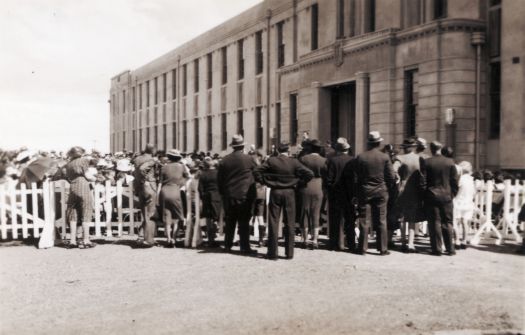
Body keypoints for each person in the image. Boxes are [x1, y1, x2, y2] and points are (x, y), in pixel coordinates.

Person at [254, 142, 313, 260]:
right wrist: (298, 182)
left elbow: (256, 171)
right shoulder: (294, 161)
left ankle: (272, 252)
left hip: (275, 191)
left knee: (273, 221)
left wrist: (266, 181)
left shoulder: (272, 161)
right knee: (290, 222)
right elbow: (309, 173)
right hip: (290, 192)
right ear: (288, 150)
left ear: (277, 150)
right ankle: (289, 253)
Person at [354, 131, 396, 255]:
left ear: (368, 143)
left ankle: (362, 248)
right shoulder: (384, 157)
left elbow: (356, 177)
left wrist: (358, 191)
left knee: (364, 219)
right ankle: (383, 248)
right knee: (381, 219)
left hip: (365, 191)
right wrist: (387, 187)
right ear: (378, 143)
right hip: (381, 191)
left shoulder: (361, 157)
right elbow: (391, 176)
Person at [217, 135, 257, 254]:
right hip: (245, 195)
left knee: (230, 221)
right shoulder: (249, 159)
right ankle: (245, 246)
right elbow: (257, 172)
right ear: (243, 146)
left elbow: (219, 180)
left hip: (229, 195)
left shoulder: (225, 160)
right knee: (244, 222)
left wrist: (223, 193)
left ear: (233, 147)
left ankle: (228, 245)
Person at [421, 141, 459, 256]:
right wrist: (452, 194)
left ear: (431, 149)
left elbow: (423, 181)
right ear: (441, 148)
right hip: (447, 196)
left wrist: (424, 194)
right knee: (447, 222)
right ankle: (450, 249)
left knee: (434, 222)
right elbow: (454, 181)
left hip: (431, 195)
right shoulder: (450, 162)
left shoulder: (427, 162)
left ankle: (437, 249)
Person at [394, 138, 425, 253]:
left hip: (402, 189)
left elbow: (393, 169)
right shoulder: (419, 159)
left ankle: (402, 242)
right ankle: (411, 243)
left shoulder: (400, 158)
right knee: (412, 218)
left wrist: (398, 178)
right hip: (415, 190)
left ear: (405, 147)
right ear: (414, 147)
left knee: (402, 217)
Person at [64, 146, 97, 249]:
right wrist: (95, 178)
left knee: (72, 214)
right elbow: (88, 176)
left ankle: (73, 241)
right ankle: (86, 240)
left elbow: (68, 177)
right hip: (83, 186)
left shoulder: (69, 164)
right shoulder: (83, 161)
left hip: (73, 187)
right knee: (86, 211)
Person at [324, 137, 353, 251]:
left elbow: (329, 179)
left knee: (335, 219)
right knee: (349, 219)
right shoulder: (352, 160)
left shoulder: (332, 161)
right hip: (348, 194)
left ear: (337, 149)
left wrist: (329, 190)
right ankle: (350, 243)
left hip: (335, 193)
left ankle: (335, 243)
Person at [298, 139, 326, 249]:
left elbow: (299, 173)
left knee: (304, 212)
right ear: (319, 149)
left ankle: (305, 240)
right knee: (316, 213)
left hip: (305, 186)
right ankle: (315, 240)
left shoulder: (303, 159)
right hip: (318, 186)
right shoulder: (324, 160)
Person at [159, 149, 188, 248]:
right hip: (176, 191)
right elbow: (188, 177)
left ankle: (168, 239)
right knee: (176, 218)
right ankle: (174, 239)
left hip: (165, 191)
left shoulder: (164, 168)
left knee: (167, 217)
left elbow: (160, 182)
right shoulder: (182, 167)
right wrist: (181, 183)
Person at [133, 144, 159, 247]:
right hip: (149, 187)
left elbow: (136, 171)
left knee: (144, 213)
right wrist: (146, 180)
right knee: (151, 214)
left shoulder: (137, 158)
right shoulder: (152, 160)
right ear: (153, 150)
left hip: (139, 188)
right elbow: (142, 169)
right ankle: (149, 240)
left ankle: (141, 236)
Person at [198, 157, 221, 248]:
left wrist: (203, 196)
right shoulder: (218, 174)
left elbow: (200, 188)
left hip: (207, 197)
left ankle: (210, 239)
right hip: (217, 197)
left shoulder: (203, 174)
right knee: (216, 218)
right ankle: (213, 236)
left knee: (208, 218)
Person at [453, 161, 475, 249]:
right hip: (468, 203)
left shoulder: (460, 179)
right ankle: (464, 241)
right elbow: (474, 193)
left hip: (458, 202)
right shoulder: (471, 179)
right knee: (465, 222)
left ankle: (457, 240)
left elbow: (456, 189)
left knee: (455, 221)